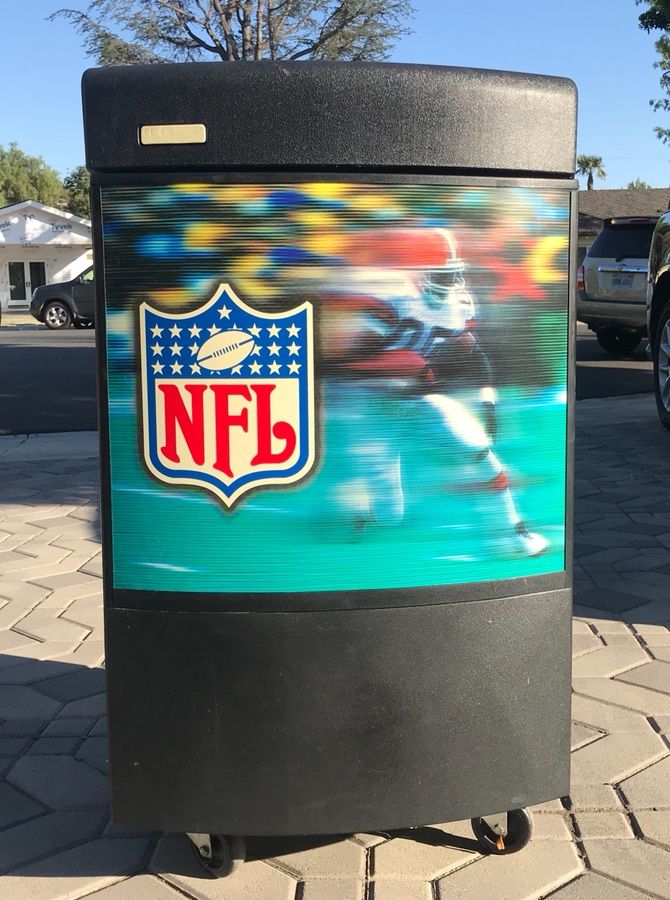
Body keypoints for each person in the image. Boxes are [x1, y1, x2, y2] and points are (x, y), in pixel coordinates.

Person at [317, 226, 549, 558]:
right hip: (370, 404)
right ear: (417, 273)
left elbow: (474, 353)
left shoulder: (457, 304)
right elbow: (346, 362)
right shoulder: (391, 297)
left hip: (416, 399)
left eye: (454, 274)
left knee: (477, 448)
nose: (452, 283)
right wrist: (399, 365)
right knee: (390, 514)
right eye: (442, 274)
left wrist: (489, 402)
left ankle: (513, 534)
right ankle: (356, 510)